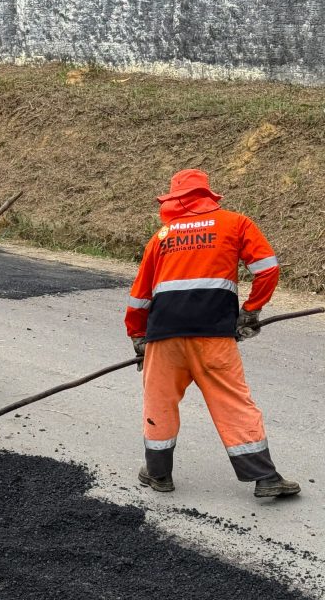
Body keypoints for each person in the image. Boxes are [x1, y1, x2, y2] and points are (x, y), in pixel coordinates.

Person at [125, 168, 299, 498]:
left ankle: (159, 475)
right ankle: (265, 478)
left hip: (164, 337)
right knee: (233, 402)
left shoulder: (162, 237)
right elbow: (267, 268)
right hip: (214, 336)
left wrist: (138, 337)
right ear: (207, 195)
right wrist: (251, 310)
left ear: (174, 199)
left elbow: (139, 297)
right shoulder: (235, 223)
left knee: (159, 403)